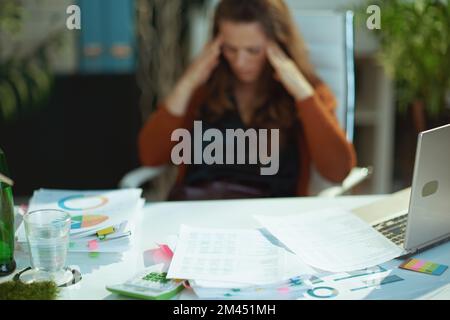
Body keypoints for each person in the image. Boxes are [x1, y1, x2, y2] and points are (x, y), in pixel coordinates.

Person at [138, 0, 356, 200]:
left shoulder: (308, 93)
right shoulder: (202, 90)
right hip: (197, 209)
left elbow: (338, 172)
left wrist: (302, 92)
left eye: (253, 50)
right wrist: (188, 82)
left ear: (278, 44)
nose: (240, 62)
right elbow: (151, 157)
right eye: (231, 49)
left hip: (268, 217)